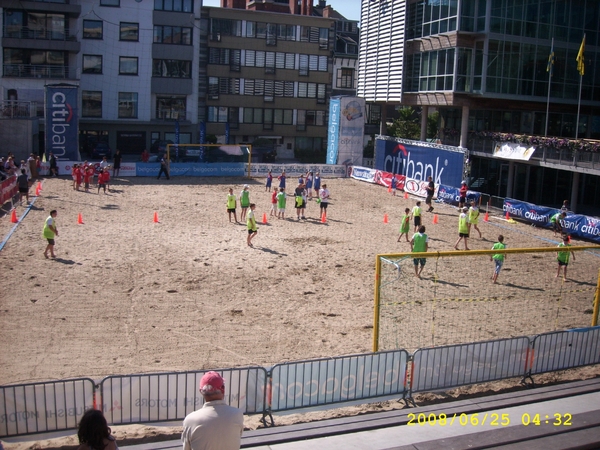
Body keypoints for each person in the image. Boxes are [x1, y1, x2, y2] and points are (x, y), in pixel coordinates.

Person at [181, 371, 243, 450]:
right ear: (223, 389)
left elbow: (186, 448)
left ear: (201, 391)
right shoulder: (237, 414)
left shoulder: (190, 420)